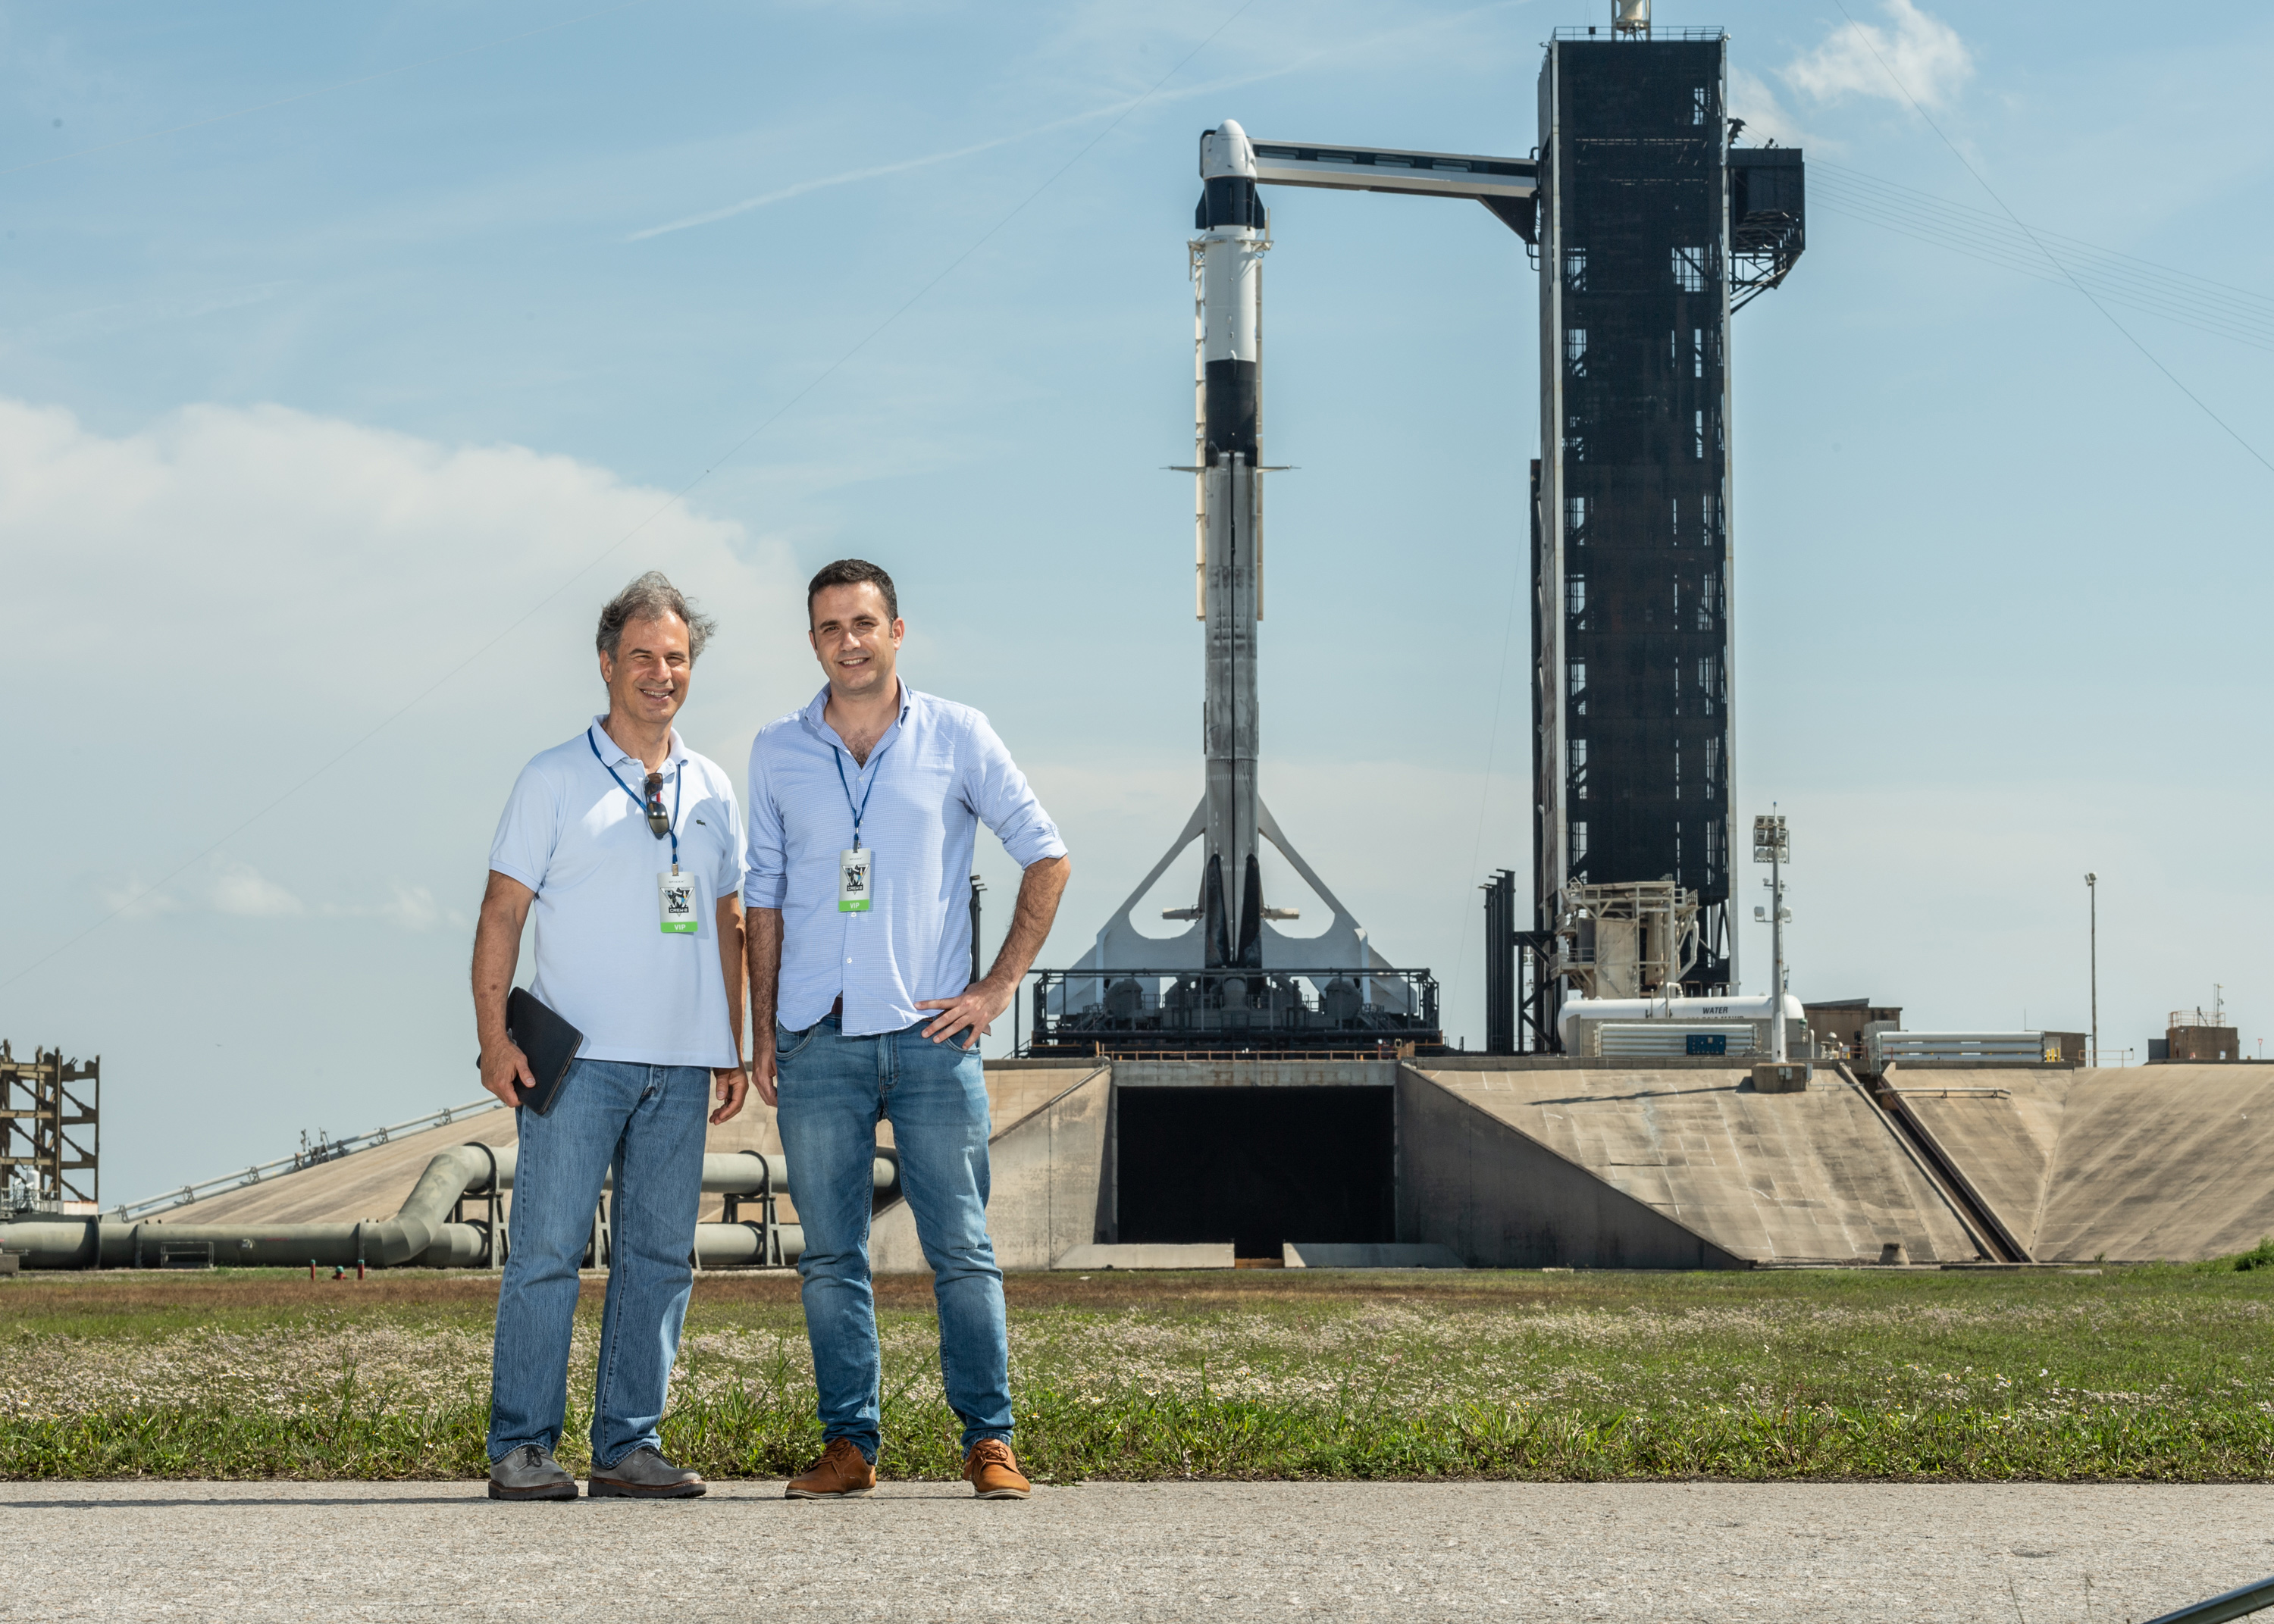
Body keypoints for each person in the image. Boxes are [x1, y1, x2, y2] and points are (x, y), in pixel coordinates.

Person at [746, 558, 1070, 1501]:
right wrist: (764, 1027)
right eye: (829, 628)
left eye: (863, 623)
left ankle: (989, 1440)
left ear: (897, 631)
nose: (848, 641)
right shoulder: (777, 749)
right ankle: (850, 1444)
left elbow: (1045, 853)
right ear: (814, 642)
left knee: (961, 1248)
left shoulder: (957, 735)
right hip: (817, 1036)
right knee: (832, 1255)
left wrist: (997, 985)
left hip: (932, 1037)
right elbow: (762, 896)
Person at [471, 571, 750, 1501]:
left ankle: (628, 1442)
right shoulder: (553, 777)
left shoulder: (712, 784)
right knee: (548, 1252)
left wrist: (735, 1042)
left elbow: (729, 919)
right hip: (577, 1061)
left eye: (676, 658)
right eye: (642, 656)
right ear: (606, 663)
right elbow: (501, 912)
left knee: (660, 1259)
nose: (659, 673)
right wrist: (491, 1035)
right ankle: (522, 1446)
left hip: (680, 1064)